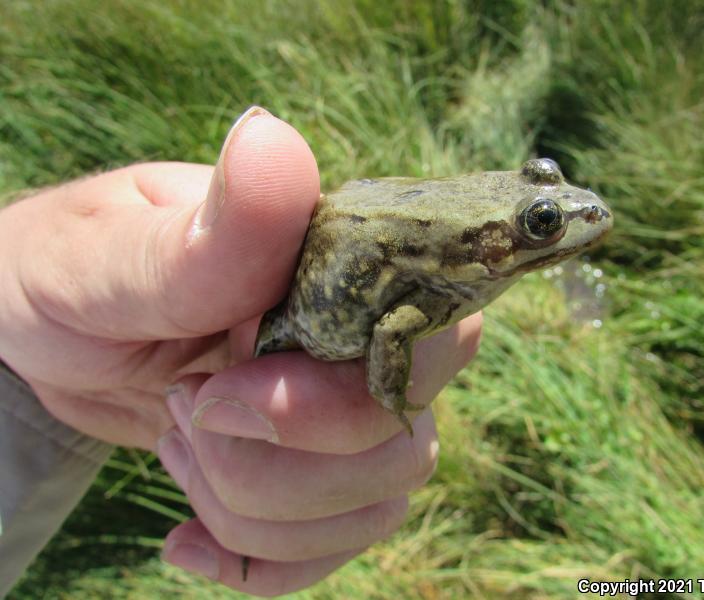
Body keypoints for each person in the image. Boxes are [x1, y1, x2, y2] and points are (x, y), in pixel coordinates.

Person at [0, 106, 482, 596]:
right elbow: (394, 330)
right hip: (293, 321)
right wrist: (391, 398)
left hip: (56, 380)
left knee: (279, 446)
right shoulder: (446, 286)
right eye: (542, 222)